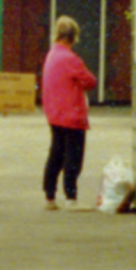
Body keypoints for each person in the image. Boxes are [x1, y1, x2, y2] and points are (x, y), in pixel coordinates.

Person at [40, 15, 98, 209]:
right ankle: (71, 198)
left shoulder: (51, 55)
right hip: (72, 114)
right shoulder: (70, 58)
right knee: (73, 157)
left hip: (54, 113)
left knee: (55, 154)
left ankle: (50, 196)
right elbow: (90, 81)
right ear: (73, 37)